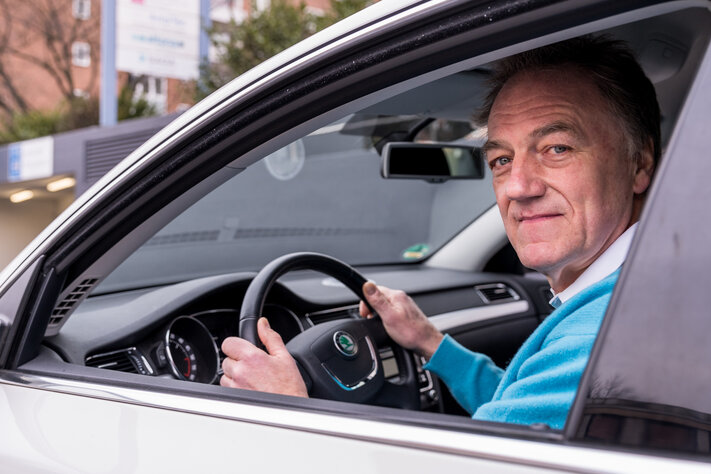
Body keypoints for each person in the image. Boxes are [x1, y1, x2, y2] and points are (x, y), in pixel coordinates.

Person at [219, 34, 659, 429]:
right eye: (502, 160)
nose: (518, 187)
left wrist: (290, 411)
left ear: (638, 164)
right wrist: (430, 341)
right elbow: (519, 416)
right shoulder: (637, 295)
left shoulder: (594, 341)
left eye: (556, 148)